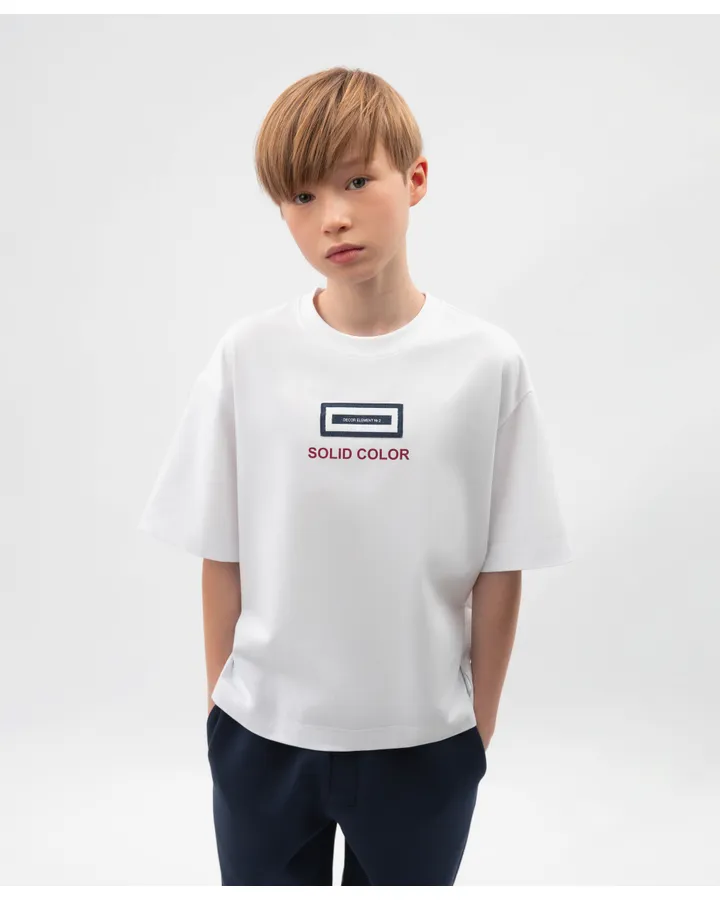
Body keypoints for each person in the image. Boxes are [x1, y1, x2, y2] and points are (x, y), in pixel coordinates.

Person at [137, 66, 573, 886]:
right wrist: (221, 715)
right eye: (301, 197)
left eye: (356, 181)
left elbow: (502, 565)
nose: (331, 216)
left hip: (424, 745)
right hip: (261, 741)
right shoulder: (249, 356)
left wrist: (475, 731)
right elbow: (221, 552)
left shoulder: (485, 363)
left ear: (416, 179)